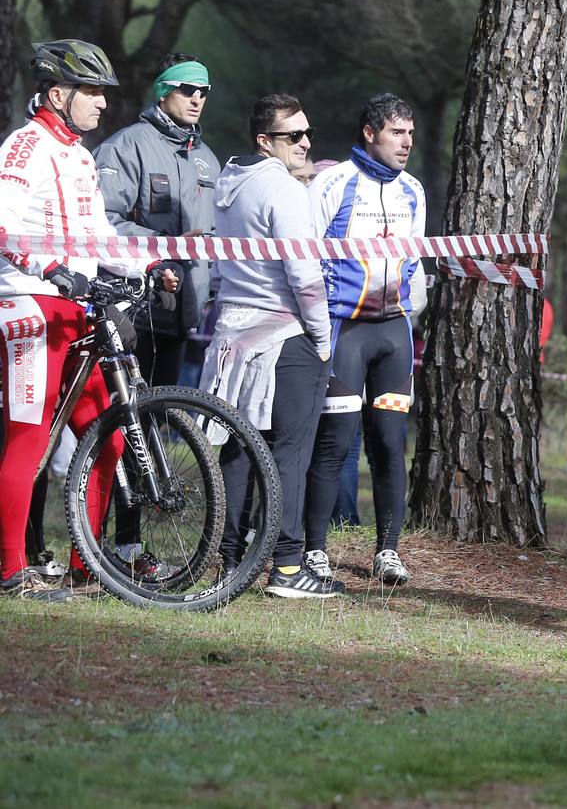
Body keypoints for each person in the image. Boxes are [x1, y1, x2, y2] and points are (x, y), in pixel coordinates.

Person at [0, 40, 181, 601]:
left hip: (78, 309)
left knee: (107, 438)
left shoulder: (79, 154)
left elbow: (98, 234)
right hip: (31, 305)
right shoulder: (24, 148)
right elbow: (3, 229)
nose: (103, 104)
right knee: (27, 440)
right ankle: (10, 571)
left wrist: (146, 263)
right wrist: (53, 269)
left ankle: (87, 563)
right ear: (59, 94)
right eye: (94, 93)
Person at [201, 93, 337, 599]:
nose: (305, 142)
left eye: (307, 132)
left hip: (234, 331)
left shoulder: (230, 181)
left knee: (238, 450)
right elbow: (303, 274)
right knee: (290, 452)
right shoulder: (282, 188)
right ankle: (285, 567)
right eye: (292, 135)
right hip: (283, 334)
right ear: (265, 141)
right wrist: (322, 337)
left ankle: (231, 562)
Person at [302, 94, 427, 587]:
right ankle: (314, 549)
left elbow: (416, 260)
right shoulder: (332, 183)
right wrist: (315, 327)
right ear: (370, 133)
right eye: (397, 132)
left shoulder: (413, 189)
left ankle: (388, 550)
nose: (407, 142)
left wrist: (408, 309)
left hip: (394, 332)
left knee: (390, 443)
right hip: (343, 328)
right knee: (334, 443)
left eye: (411, 133)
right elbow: (306, 255)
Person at [94, 52, 219, 388]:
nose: (197, 98)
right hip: (135, 308)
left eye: (204, 91)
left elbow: (215, 233)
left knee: (161, 423)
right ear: (163, 91)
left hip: (185, 313)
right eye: (187, 88)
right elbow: (101, 221)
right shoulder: (125, 145)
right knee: (124, 426)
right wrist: (166, 247)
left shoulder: (207, 159)